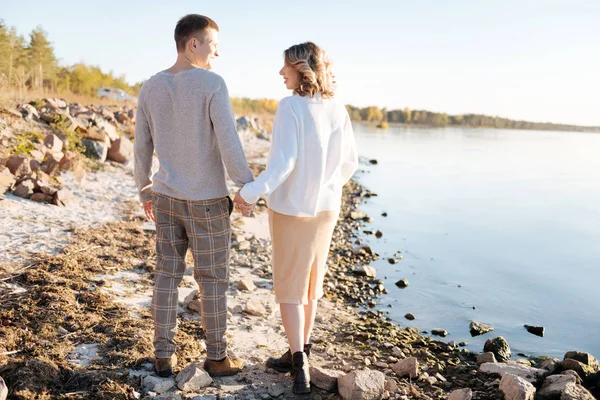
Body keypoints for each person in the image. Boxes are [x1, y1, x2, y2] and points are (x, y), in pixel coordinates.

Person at [134, 14, 254, 378]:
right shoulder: (212, 83)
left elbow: (142, 147)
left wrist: (144, 190)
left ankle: (163, 356)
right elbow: (229, 142)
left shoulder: (150, 87)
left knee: (167, 276)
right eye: (213, 46)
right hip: (208, 201)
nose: (217, 54)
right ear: (193, 44)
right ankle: (217, 357)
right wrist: (246, 186)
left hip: (166, 198)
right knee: (213, 278)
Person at [234, 42, 359, 394]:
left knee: (290, 286)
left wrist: (250, 192)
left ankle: (299, 365)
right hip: (327, 208)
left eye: (285, 66)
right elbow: (350, 163)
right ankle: (298, 353)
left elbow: (283, 164)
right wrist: (326, 185)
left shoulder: (290, 107)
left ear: (301, 69)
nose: (280, 72)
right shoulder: (338, 108)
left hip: (291, 209)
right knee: (310, 285)